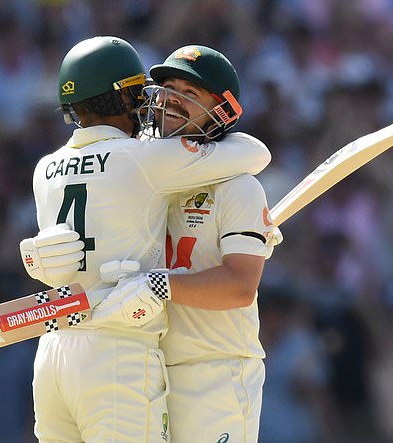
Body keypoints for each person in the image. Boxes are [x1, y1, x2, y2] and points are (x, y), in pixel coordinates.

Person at [24, 43, 281, 442]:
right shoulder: (147, 168)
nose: (171, 102)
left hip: (213, 367)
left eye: (189, 94)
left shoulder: (236, 187)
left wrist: (159, 285)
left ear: (220, 110)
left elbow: (240, 286)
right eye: (167, 89)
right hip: (147, 361)